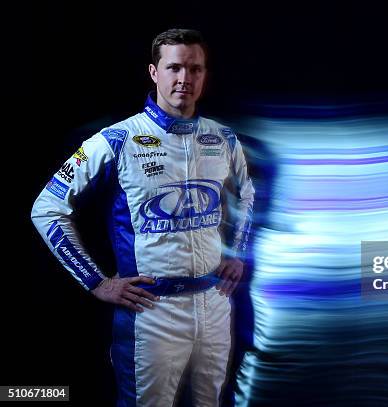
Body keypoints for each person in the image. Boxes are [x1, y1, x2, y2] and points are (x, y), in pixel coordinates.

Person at [31, 28, 255, 407]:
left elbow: (246, 194)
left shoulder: (224, 139)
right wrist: (97, 283)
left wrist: (237, 252)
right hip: (152, 311)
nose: (185, 79)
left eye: (195, 69)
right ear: (154, 72)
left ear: (204, 74)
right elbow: (46, 208)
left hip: (214, 302)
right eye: (174, 68)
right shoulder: (116, 140)